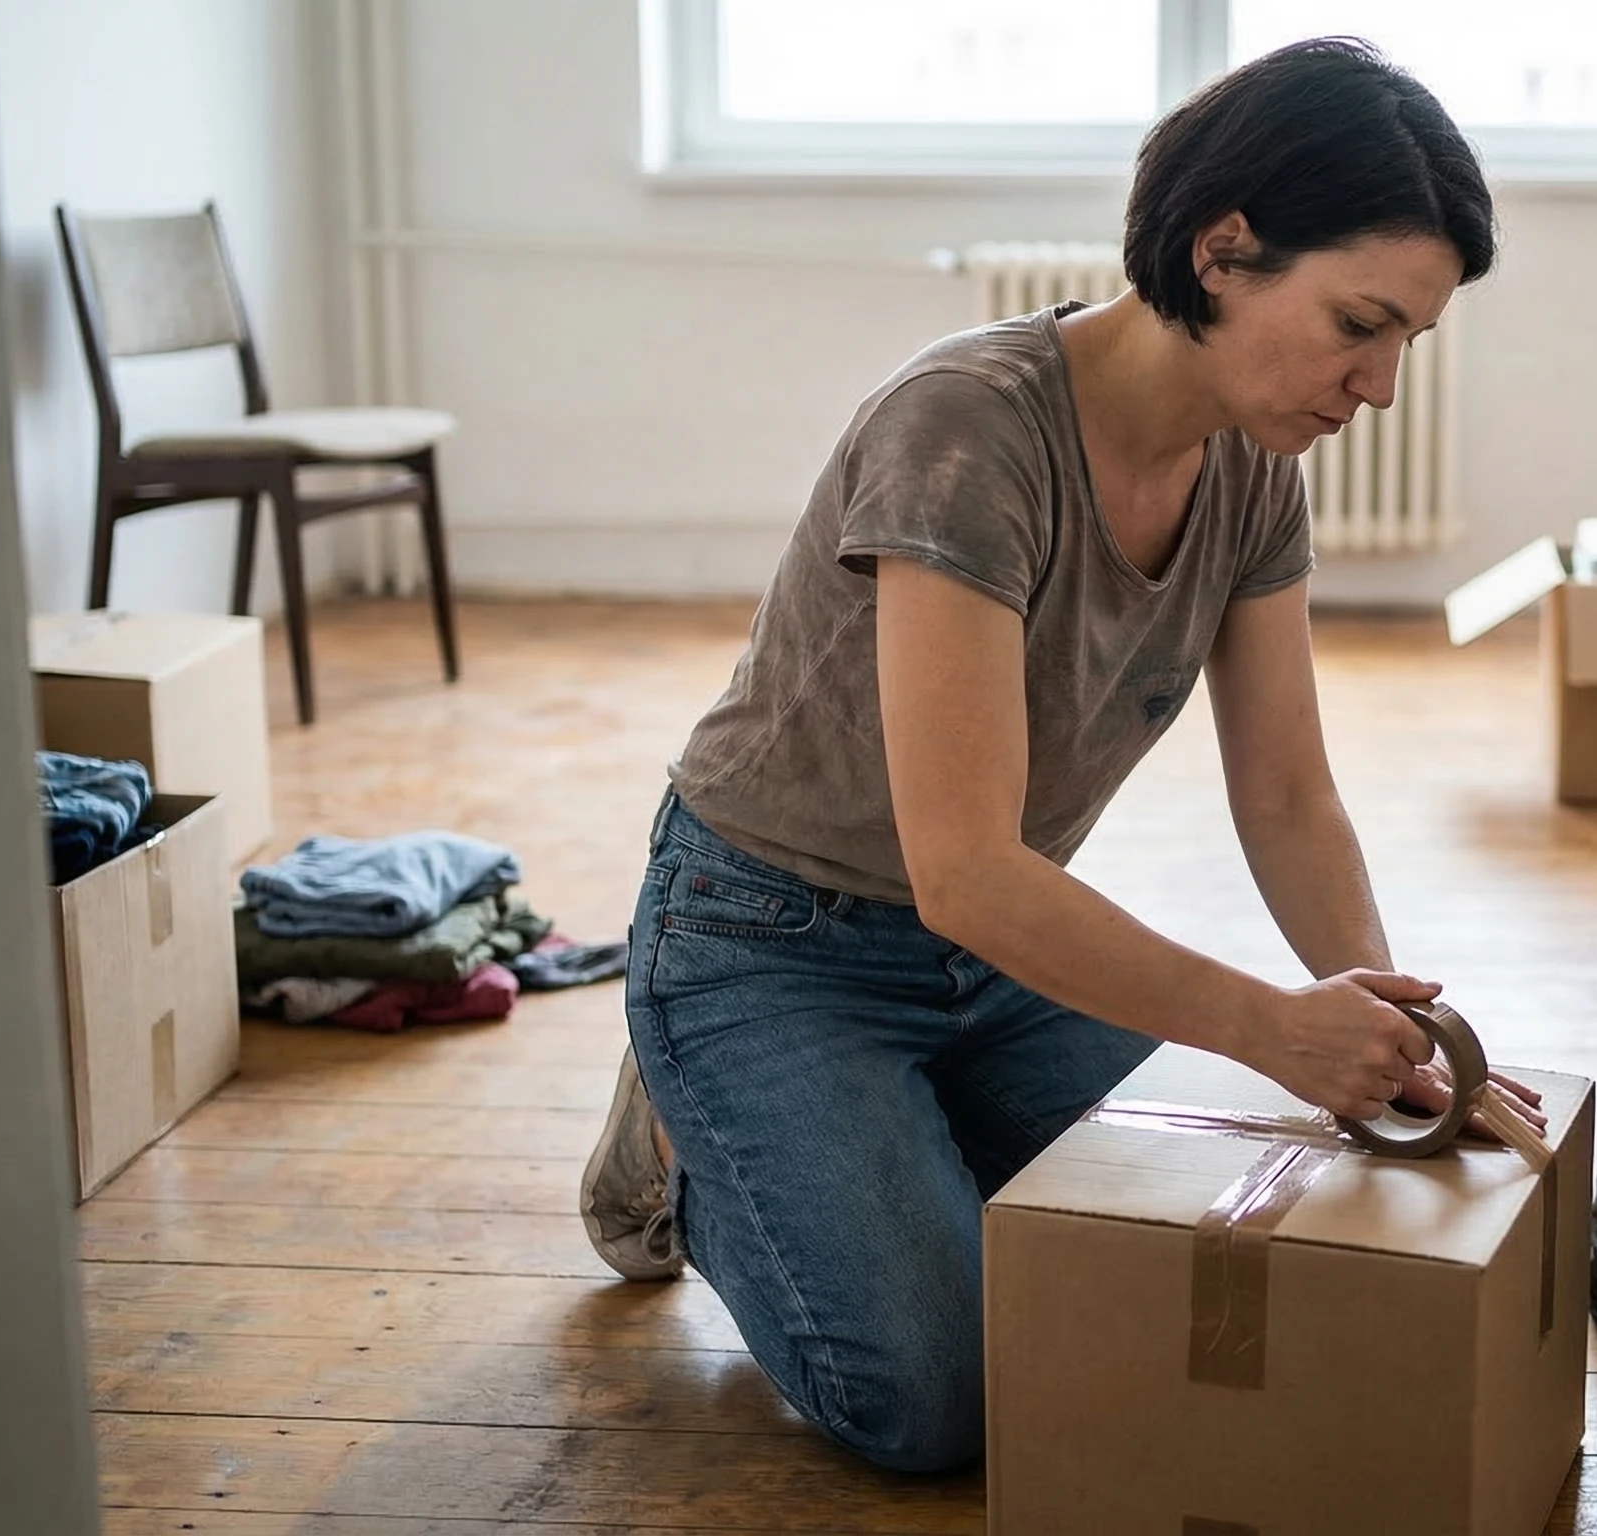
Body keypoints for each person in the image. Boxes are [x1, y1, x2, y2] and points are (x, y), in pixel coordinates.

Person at [576, 38, 1544, 1474]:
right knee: (946, 1397)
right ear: (1224, 249)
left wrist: (1385, 1021)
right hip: (772, 936)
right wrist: (1273, 1030)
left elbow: (1288, 793)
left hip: (1004, 963)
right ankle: (681, 1152)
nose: (1381, 387)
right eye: (1360, 322)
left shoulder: (1255, 473)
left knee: (1163, 1271)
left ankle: (889, 1137)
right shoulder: (965, 430)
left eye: (1409, 340)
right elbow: (961, 868)